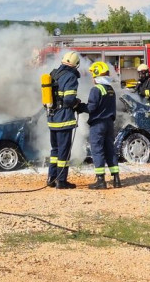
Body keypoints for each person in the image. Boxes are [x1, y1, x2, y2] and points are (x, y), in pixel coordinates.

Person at [46, 51, 83, 189]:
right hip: (64, 120)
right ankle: (61, 181)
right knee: (63, 152)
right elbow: (68, 99)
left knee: (54, 150)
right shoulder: (70, 77)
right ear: (76, 64)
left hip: (52, 119)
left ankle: (51, 178)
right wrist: (77, 104)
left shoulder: (53, 74)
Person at [82, 61, 121, 189]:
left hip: (98, 124)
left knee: (97, 150)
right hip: (109, 123)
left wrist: (80, 106)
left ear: (97, 75)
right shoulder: (110, 89)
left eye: (93, 75)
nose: (92, 78)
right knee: (110, 150)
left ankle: (100, 181)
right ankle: (116, 179)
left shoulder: (96, 89)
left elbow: (91, 108)